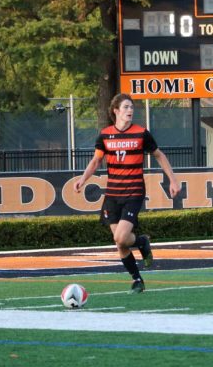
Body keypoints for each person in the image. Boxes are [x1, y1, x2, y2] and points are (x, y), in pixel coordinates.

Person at [74, 93, 180, 293]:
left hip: (133, 192)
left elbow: (159, 155)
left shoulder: (141, 133)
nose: (130, 110)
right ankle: (137, 279)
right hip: (112, 195)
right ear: (116, 111)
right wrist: (82, 179)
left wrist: (173, 180)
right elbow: (96, 160)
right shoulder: (105, 135)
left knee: (122, 238)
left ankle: (141, 242)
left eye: (131, 107)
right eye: (126, 107)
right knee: (120, 243)